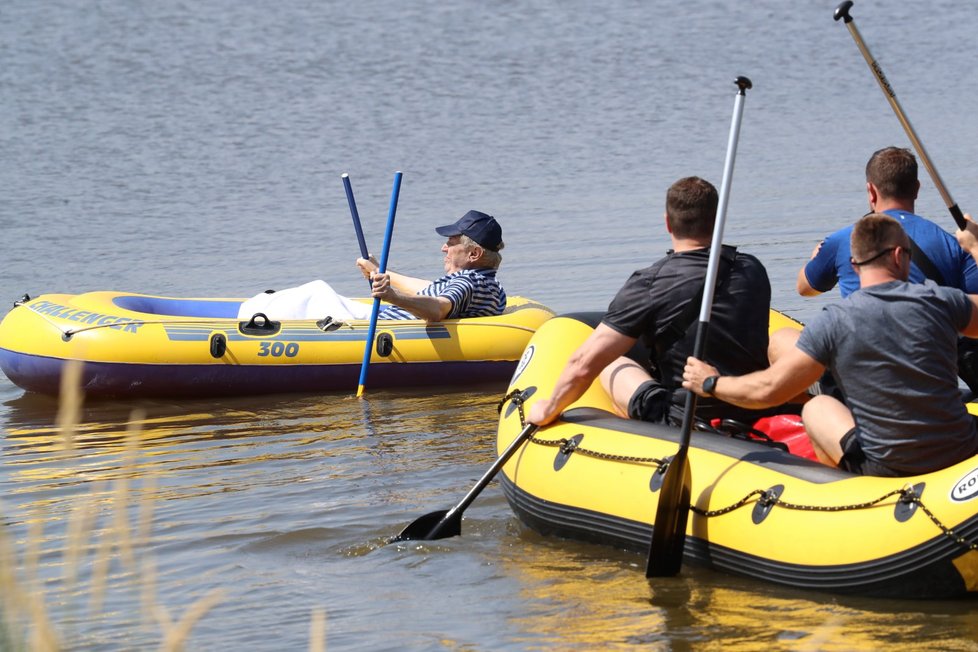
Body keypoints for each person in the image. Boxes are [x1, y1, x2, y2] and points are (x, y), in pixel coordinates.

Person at [684, 213, 978, 477]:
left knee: (818, 407)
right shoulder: (942, 300)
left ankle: (842, 490)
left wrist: (710, 382)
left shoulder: (835, 322)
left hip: (891, 466)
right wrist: (975, 247)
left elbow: (767, 390)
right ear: (901, 256)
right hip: (962, 450)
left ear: (854, 264)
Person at [527, 176, 776, 429]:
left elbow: (583, 363)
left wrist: (549, 407)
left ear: (668, 223)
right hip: (751, 402)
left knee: (612, 362)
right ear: (717, 220)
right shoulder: (751, 267)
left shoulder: (649, 283)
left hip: (687, 417)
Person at [797, 146, 978, 393]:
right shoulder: (952, 245)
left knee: (784, 341)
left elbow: (805, 289)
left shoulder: (842, 241)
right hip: (931, 373)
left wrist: (816, 257)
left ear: (871, 191)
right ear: (916, 189)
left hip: (863, 375)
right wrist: (975, 247)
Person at [236, 210, 506, 322]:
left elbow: (439, 308)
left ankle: (246, 315)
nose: (444, 248)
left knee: (316, 292)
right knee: (317, 292)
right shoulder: (487, 285)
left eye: (451, 242)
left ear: (474, 254)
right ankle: (257, 307)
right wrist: (381, 272)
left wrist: (391, 296)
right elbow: (428, 289)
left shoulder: (467, 283)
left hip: (371, 328)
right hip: (377, 320)